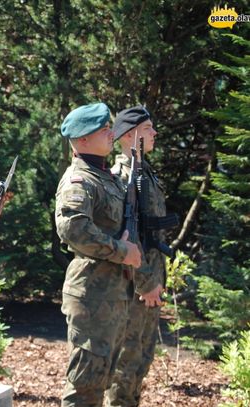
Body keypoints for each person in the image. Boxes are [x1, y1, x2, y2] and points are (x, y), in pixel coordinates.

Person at [55, 102, 142, 407]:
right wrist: (122, 251)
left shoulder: (106, 177)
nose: (110, 132)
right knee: (86, 387)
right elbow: (73, 230)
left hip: (114, 294)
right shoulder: (80, 180)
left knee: (103, 380)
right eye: (102, 129)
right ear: (81, 140)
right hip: (91, 295)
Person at [106, 106, 168, 406]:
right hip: (132, 288)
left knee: (142, 361)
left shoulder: (146, 175)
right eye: (148, 128)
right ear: (130, 136)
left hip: (150, 283)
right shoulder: (120, 179)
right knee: (124, 368)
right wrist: (146, 283)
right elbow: (127, 239)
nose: (155, 133)